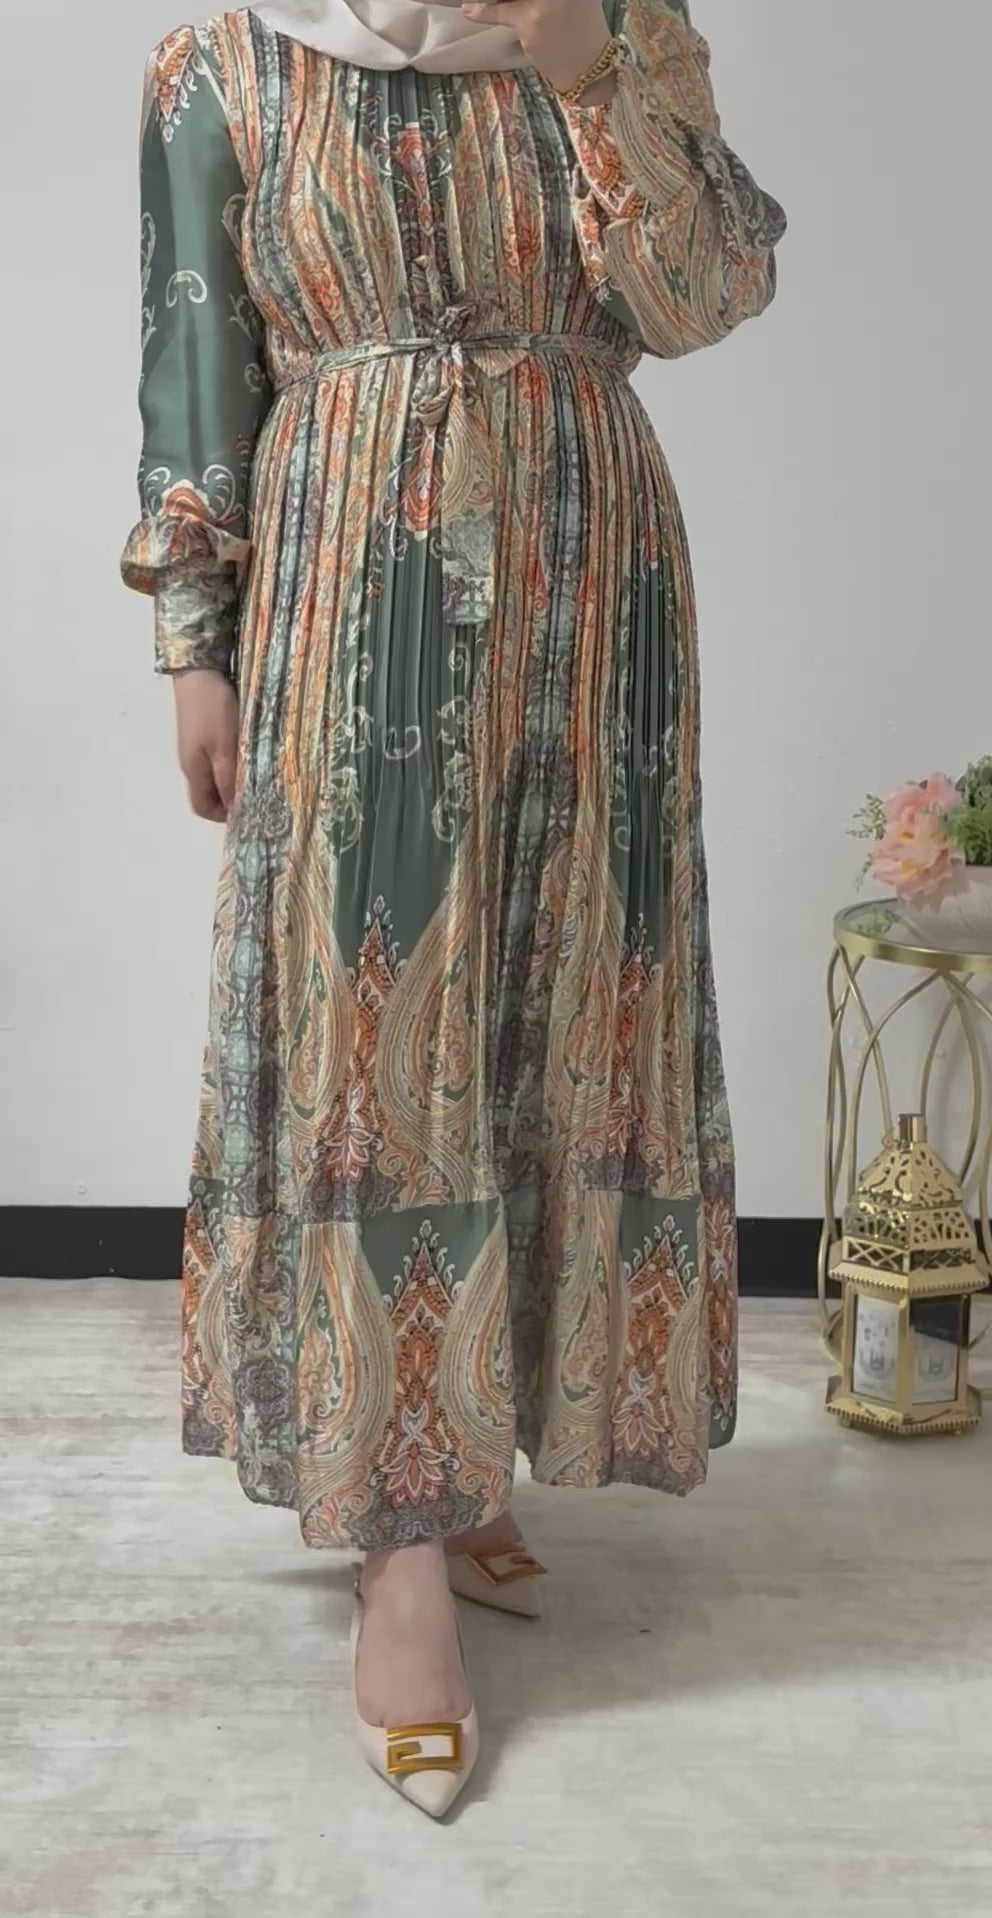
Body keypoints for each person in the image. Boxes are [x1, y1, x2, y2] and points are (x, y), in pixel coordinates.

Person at [122, 0, 785, 1817]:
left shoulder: (622, 26)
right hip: (351, 568)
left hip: (595, 577)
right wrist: (194, 641)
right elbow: (196, 354)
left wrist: (585, 76)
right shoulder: (226, 61)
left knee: (563, 1007)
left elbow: (712, 289)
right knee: (379, 1031)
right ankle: (397, 1542)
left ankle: (476, 1447)